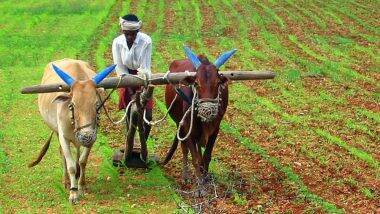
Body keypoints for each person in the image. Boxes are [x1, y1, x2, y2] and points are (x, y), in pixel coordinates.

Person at [112, 13, 153, 140]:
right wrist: (130, 91)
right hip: (126, 78)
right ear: (122, 30)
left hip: (143, 77)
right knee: (129, 113)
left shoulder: (146, 40)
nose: (130, 37)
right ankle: (129, 141)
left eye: (133, 34)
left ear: (138, 30)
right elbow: (119, 67)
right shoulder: (117, 42)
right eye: (127, 34)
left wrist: (142, 92)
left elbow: (144, 67)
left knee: (148, 115)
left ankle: (143, 143)